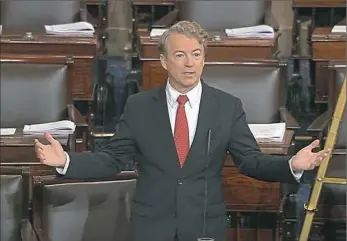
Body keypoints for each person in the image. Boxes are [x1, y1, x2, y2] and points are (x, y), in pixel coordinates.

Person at [35, 21, 330, 241]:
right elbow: (112, 159)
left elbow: (250, 161)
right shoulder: (139, 106)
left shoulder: (226, 107)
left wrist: (291, 165)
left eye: (196, 54)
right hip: (151, 226)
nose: (190, 63)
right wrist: (66, 161)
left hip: (203, 225)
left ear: (204, 58)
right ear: (164, 61)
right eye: (180, 55)